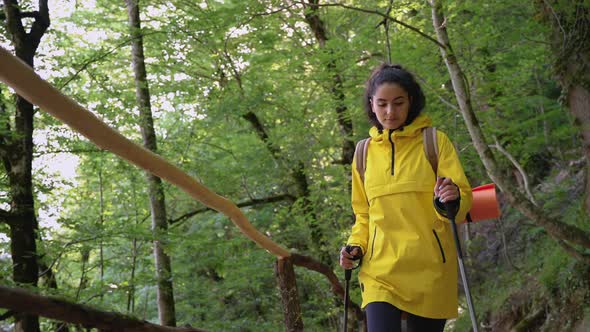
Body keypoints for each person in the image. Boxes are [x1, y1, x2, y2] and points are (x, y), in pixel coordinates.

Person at [340, 63, 472, 332]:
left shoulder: (434, 142)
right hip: (380, 272)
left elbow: (462, 200)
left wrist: (451, 198)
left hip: (429, 269)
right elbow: (363, 214)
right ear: (372, 105)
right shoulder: (363, 153)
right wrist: (355, 246)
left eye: (398, 103)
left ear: (411, 101)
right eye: (383, 104)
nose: (390, 112)